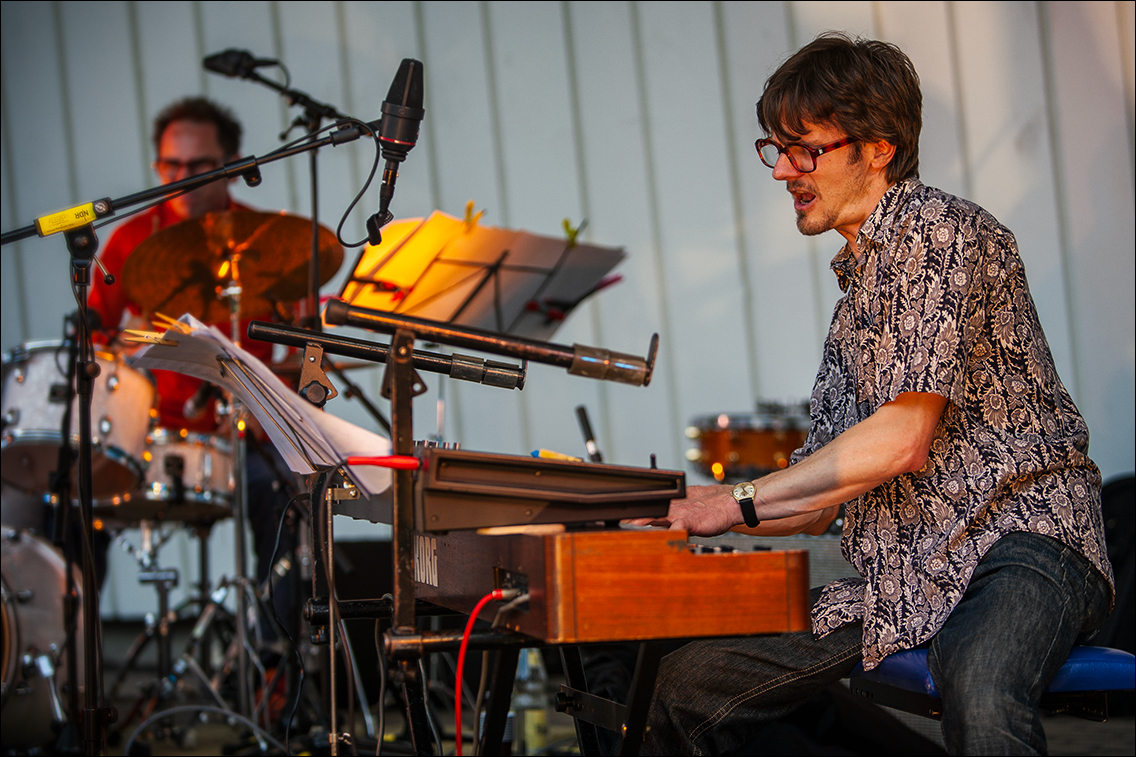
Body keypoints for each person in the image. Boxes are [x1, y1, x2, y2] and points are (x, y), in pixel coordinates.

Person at [634, 34, 1114, 755]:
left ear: (879, 147)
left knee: (977, 678)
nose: (784, 171)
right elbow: (822, 496)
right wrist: (685, 514)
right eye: (777, 149)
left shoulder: (943, 233)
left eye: (806, 150)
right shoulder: (856, 300)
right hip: (908, 574)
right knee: (693, 683)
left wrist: (732, 502)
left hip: (1026, 542)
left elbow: (901, 439)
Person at [88, 97, 297, 636]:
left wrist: (264, 402)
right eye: (169, 166)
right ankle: (73, 669)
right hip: (147, 438)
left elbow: (303, 348)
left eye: (198, 166)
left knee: (288, 497)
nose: (180, 178)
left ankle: (274, 666)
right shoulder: (130, 240)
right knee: (74, 496)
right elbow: (93, 338)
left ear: (230, 162)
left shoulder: (275, 242)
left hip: (242, 437)